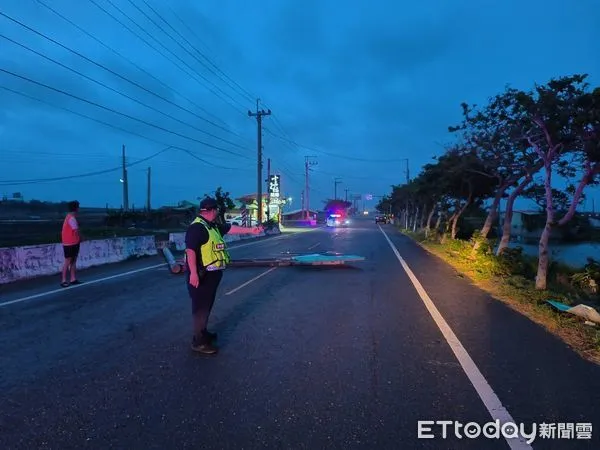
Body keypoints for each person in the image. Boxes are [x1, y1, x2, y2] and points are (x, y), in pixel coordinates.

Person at [185, 197, 262, 354]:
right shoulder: (197, 228)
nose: (217, 213)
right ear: (211, 211)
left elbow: (229, 229)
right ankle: (198, 342)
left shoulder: (211, 226)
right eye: (216, 211)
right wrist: (193, 273)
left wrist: (251, 229)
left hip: (211, 275)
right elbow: (190, 251)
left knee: (207, 306)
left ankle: (203, 333)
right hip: (201, 275)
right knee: (201, 308)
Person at [61, 200, 82, 287]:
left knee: (73, 260)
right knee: (68, 261)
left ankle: (73, 279)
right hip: (70, 242)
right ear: (76, 208)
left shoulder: (69, 217)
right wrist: (82, 238)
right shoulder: (71, 218)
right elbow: (76, 231)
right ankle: (63, 280)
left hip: (72, 242)